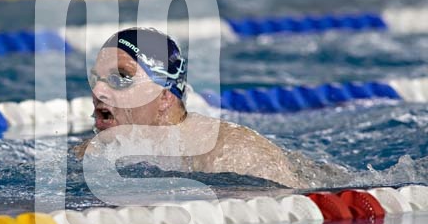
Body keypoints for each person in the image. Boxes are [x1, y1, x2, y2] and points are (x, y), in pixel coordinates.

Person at [74, 27, 307, 188]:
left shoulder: (230, 154)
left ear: (164, 97)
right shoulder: (96, 151)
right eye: (96, 79)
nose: (98, 91)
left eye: (121, 78)